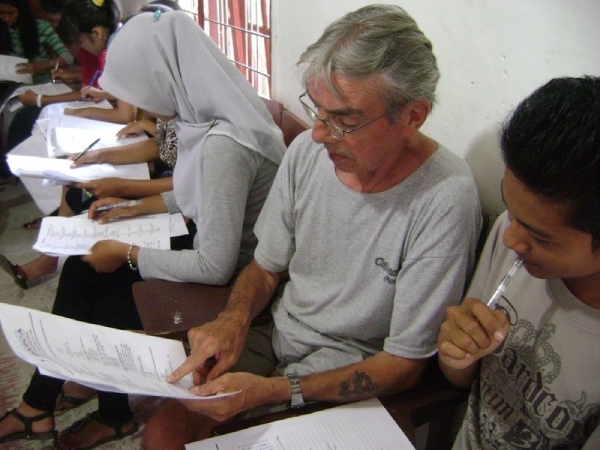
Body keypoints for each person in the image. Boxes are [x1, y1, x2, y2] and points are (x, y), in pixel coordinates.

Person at [141, 5, 482, 449]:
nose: (319, 133)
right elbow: (265, 268)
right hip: (279, 333)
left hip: (351, 370)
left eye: (344, 120)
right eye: (317, 110)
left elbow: (403, 365)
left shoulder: (444, 199)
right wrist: (232, 321)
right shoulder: (307, 152)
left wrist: (272, 391)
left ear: (412, 116)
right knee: (165, 433)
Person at [0, 9, 286, 449]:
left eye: (140, 90)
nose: (141, 107)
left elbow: (214, 265)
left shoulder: (225, 146)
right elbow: (195, 195)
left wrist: (127, 253)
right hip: (212, 243)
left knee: (108, 300)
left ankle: (102, 414)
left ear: (163, 77)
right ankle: (42, 404)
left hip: (238, 278)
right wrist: (130, 208)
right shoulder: (204, 121)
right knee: (82, 268)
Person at [436, 76, 600, 449]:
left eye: (541, 237)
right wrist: (457, 352)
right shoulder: (512, 238)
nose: (511, 238)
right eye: (509, 210)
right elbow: (460, 378)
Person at [0, 117, 177, 289]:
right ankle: (52, 253)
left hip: (175, 194)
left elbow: (186, 186)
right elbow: (162, 145)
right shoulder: (172, 114)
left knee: (79, 266)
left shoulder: (184, 115)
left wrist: (124, 188)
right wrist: (97, 156)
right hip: (171, 184)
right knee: (75, 188)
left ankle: (55, 254)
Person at [0, 0, 74, 185]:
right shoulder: (2, 29)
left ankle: (14, 168)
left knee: (24, 115)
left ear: (22, 11)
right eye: (2, 14)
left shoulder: (41, 27)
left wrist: (39, 66)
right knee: (11, 114)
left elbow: (67, 57)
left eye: (11, 13)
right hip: (12, 84)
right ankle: (13, 167)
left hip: (43, 83)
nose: (6, 18)